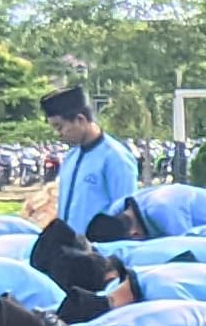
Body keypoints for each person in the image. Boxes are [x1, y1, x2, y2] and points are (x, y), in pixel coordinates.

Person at [45, 85, 140, 238]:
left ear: (80, 119)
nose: (58, 134)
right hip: (68, 248)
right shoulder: (70, 157)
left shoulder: (116, 158)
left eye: (60, 127)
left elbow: (127, 214)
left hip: (100, 252)